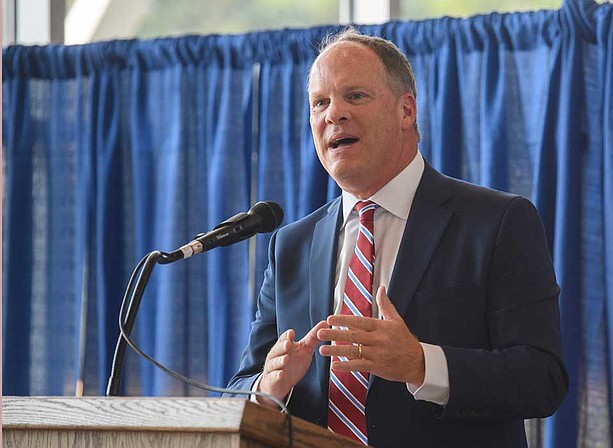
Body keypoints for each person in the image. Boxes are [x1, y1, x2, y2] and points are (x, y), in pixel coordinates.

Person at [227, 28, 568, 448]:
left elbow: (542, 378)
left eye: (355, 96)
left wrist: (421, 364)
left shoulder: (497, 222)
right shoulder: (291, 245)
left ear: (406, 110)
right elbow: (242, 386)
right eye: (320, 102)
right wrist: (270, 385)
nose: (333, 114)